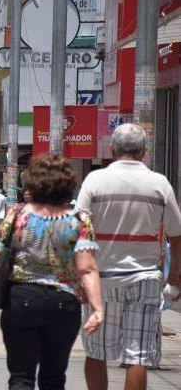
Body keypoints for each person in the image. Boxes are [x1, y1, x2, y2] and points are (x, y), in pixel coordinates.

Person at [0, 153, 104, 390]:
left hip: (21, 299)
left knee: (21, 377)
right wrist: (97, 309)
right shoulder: (79, 220)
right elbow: (87, 269)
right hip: (64, 303)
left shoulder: (18, 216)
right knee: (54, 378)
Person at [76, 123, 181, 390]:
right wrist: (175, 276)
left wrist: (78, 278)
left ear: (112, 149)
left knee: (96, 352)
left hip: (101, 279)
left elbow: (79, 232)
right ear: (144, 151)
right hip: (145, 279)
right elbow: (177, 233)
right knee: (138, 356)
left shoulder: (95, 181)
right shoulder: (159, 184)